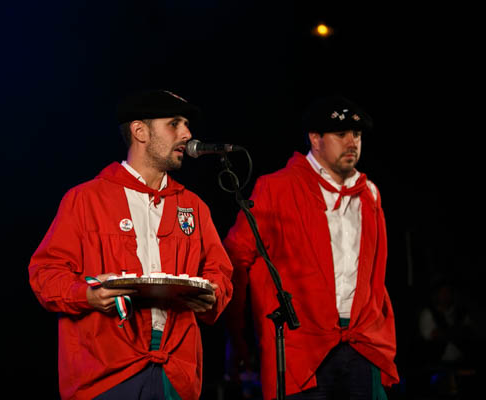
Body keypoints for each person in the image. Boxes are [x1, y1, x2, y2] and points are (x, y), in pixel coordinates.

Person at [28, 89, 233, 400]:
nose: (187, 134)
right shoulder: (85, 199)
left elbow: (220, 272)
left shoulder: (194, 206)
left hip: (175, 373)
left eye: (187, 125)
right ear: (140, 131)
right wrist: (87, 295)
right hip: (105, 374)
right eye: (174, 123)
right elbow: (45, 273)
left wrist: (213, 294)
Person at [223, 95, 399, 399]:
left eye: (357, 134)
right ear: (315, 139)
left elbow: (375, 275)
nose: (352, 142)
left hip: (361, 345)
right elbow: (234, 259)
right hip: (302, 350)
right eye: (340, 134)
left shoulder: (369, 193)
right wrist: (236, 336)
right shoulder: (276, 188)